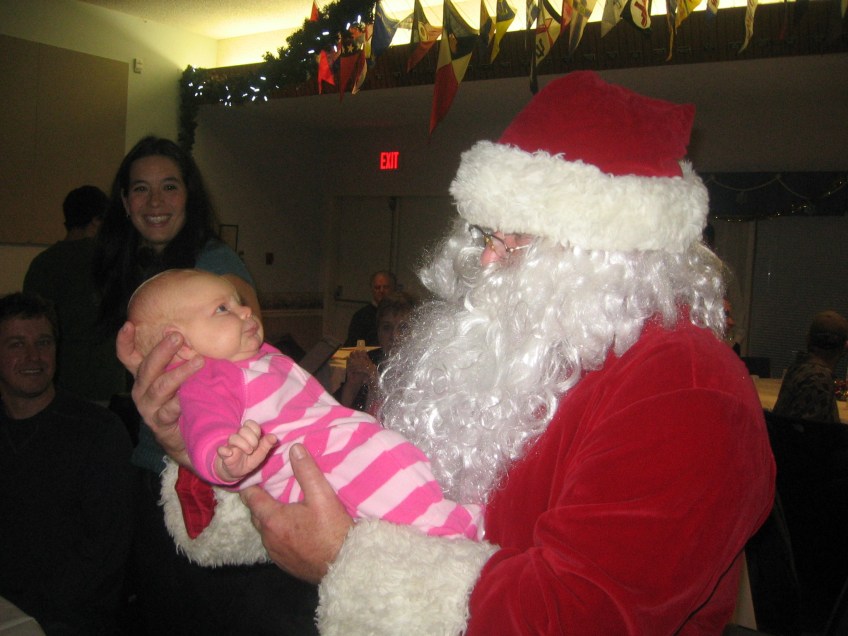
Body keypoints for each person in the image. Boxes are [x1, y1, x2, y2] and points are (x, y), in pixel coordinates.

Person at [120, 72, 776, 634]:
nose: (486, 262)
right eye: (485, 234)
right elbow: (348, 480)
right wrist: (193, 444)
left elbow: (581, 614)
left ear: (612, 251)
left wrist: (348, 558)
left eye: (516, 239)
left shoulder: (685, 389)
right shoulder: (500, 346)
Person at [94, 136, 317, 635]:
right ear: (125, 202)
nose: (155, 201)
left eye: (170, 187)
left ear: (189, 196)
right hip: (160, 459)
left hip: (207, 466)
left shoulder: (213, 265)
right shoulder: (135, 264)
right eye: (141, 189)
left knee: (210, 609)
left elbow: (252, 357)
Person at [128, 269, 481, 542]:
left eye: (238, 301)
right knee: (388, 483)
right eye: (223, 309)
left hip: (336, 446)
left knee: (400, 460)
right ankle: (448, 531)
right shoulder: (206, 378)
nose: (246, 310)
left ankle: (447, 509)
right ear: (181, 344)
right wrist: (223, 459)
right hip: (313, 467)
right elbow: (205, 427)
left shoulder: (258, 356)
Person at [0, 292, 133, 634]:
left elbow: (106, 551)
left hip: (69, 618)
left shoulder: (98, 432)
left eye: (43, 342)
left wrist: (34, 611)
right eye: (16, 344)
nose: (33, 356)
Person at [23, 185, 127, 404]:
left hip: (59, 382)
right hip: (106, 382)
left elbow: (29, 327)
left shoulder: (43, 264)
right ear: (97, 220)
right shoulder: (111, 262)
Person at [336, 290, 417, 413]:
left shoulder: (420, 369)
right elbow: (342, 414)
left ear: (415, 331)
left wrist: (374, 378)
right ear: (378, 332)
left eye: (403, 328)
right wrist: (352, 385)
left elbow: (399, 414)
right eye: (387, 328)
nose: (394, 336)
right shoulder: (372, 360)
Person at [773, 310, 848, 423]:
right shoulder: (819, 380)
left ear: (807, 339)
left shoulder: (797, 368)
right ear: (845, 347)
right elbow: (809, 432)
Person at [343, 270, 396, 347]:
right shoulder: (360, 316)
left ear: (393, 288)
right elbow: (351, 345)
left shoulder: (400, 314)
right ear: (372, 290)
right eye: (377, 287)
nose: (381, 291)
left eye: (386, 287)